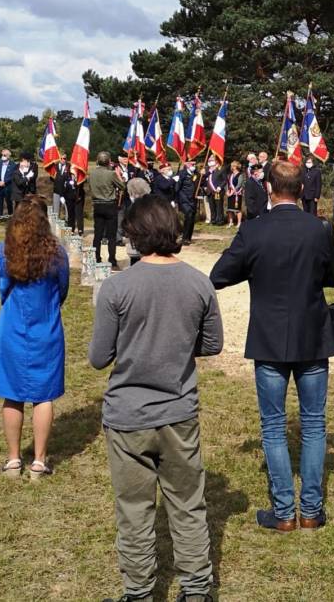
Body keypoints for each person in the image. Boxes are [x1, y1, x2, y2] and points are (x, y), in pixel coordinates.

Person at [89, 194, 223, 602]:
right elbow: (213, 343)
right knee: (188, 504)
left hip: (128, 415)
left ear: (135, 234)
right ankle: (198, 590)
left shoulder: (116, 288)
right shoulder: (199, 282)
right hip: (178, 412)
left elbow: (99, 358)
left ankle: (139, 591)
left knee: (134, 509)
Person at [209, 160, 334, 533]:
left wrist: (255, 267)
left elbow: (219, 275)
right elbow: (329, 276)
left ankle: (284, 512)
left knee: (273, 426)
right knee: (314, 425)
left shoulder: (254, 231)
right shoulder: (319, 229)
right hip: (312, 334)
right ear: (301, 190)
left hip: (268, 337)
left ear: (269, 188)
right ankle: (310, 510)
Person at [0, 196, 68, 479]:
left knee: (11, 395)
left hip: (11, 329)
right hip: (46, 328)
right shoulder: (57, 254)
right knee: (43, 396)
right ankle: (39, 461)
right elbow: (63, 290)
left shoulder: (3, 251)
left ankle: (13, 460)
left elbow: (0, 285)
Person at [88, 152, 127, 269]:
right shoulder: (111, 174)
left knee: (98, 234)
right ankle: (112, 259)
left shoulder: (92, 173)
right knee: (111, 235)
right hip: (109, 205)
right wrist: (121, 177)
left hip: (97, 205)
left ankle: (97, 258)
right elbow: (122, 187)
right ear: (108, 161)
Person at [53, 165, 83, 235]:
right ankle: (70, 230)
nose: (74, 170)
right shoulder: (66, 176)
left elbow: (80, 187)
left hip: (77, 198)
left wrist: (75, 181)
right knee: (70, 215)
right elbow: (61, 186)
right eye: (72, 169)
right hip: (68, 198)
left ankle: (79, 230)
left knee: (77, 215)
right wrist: (62, 196)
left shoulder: (79, 178)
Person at [175, 161, 198, 243]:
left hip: (193, 199)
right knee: (188, 215)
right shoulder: (182, 174)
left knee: (192, 218)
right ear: (187, 165)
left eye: (195, 164)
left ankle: (188, 237)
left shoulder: (196, 173)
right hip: (184, 199)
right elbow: (177, 188)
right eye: (192, 164)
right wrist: (176, 200)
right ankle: (184, 238)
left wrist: (203, 174)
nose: (194, 166)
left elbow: (199, 183)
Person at [0, 148, 16, 218]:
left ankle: (10, 217)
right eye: (2, 154)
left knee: (9, 203)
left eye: (5, 155)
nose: (3, 156)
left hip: (8, 186)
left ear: (9, 156)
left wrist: (5, 182)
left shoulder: (13, 165)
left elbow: (13, 176)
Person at [225, 160, 243, 227]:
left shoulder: (240, 175)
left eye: (233, 166)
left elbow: (239, 185)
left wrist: (233, 191)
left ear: (236, 167)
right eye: (231, 166)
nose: (232, 167)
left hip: (237, 194)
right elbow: (228, 184)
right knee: (230, 209)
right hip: (230, 194)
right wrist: (227, 191)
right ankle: (230, 222)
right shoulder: (230, 175)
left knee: (237, 209)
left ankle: (239, 223)